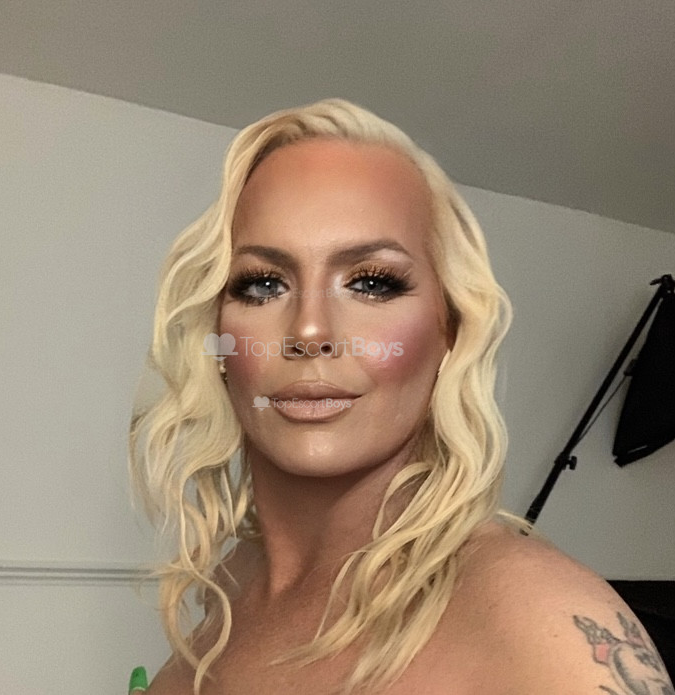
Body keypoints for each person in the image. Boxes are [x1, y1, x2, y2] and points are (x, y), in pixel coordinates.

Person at [129, 98, 673, 695]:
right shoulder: (235, 580)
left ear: (450, 330)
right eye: (262, 284)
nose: (309, 330)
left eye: (372, 283)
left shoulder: (542, 628)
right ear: (217, 337)